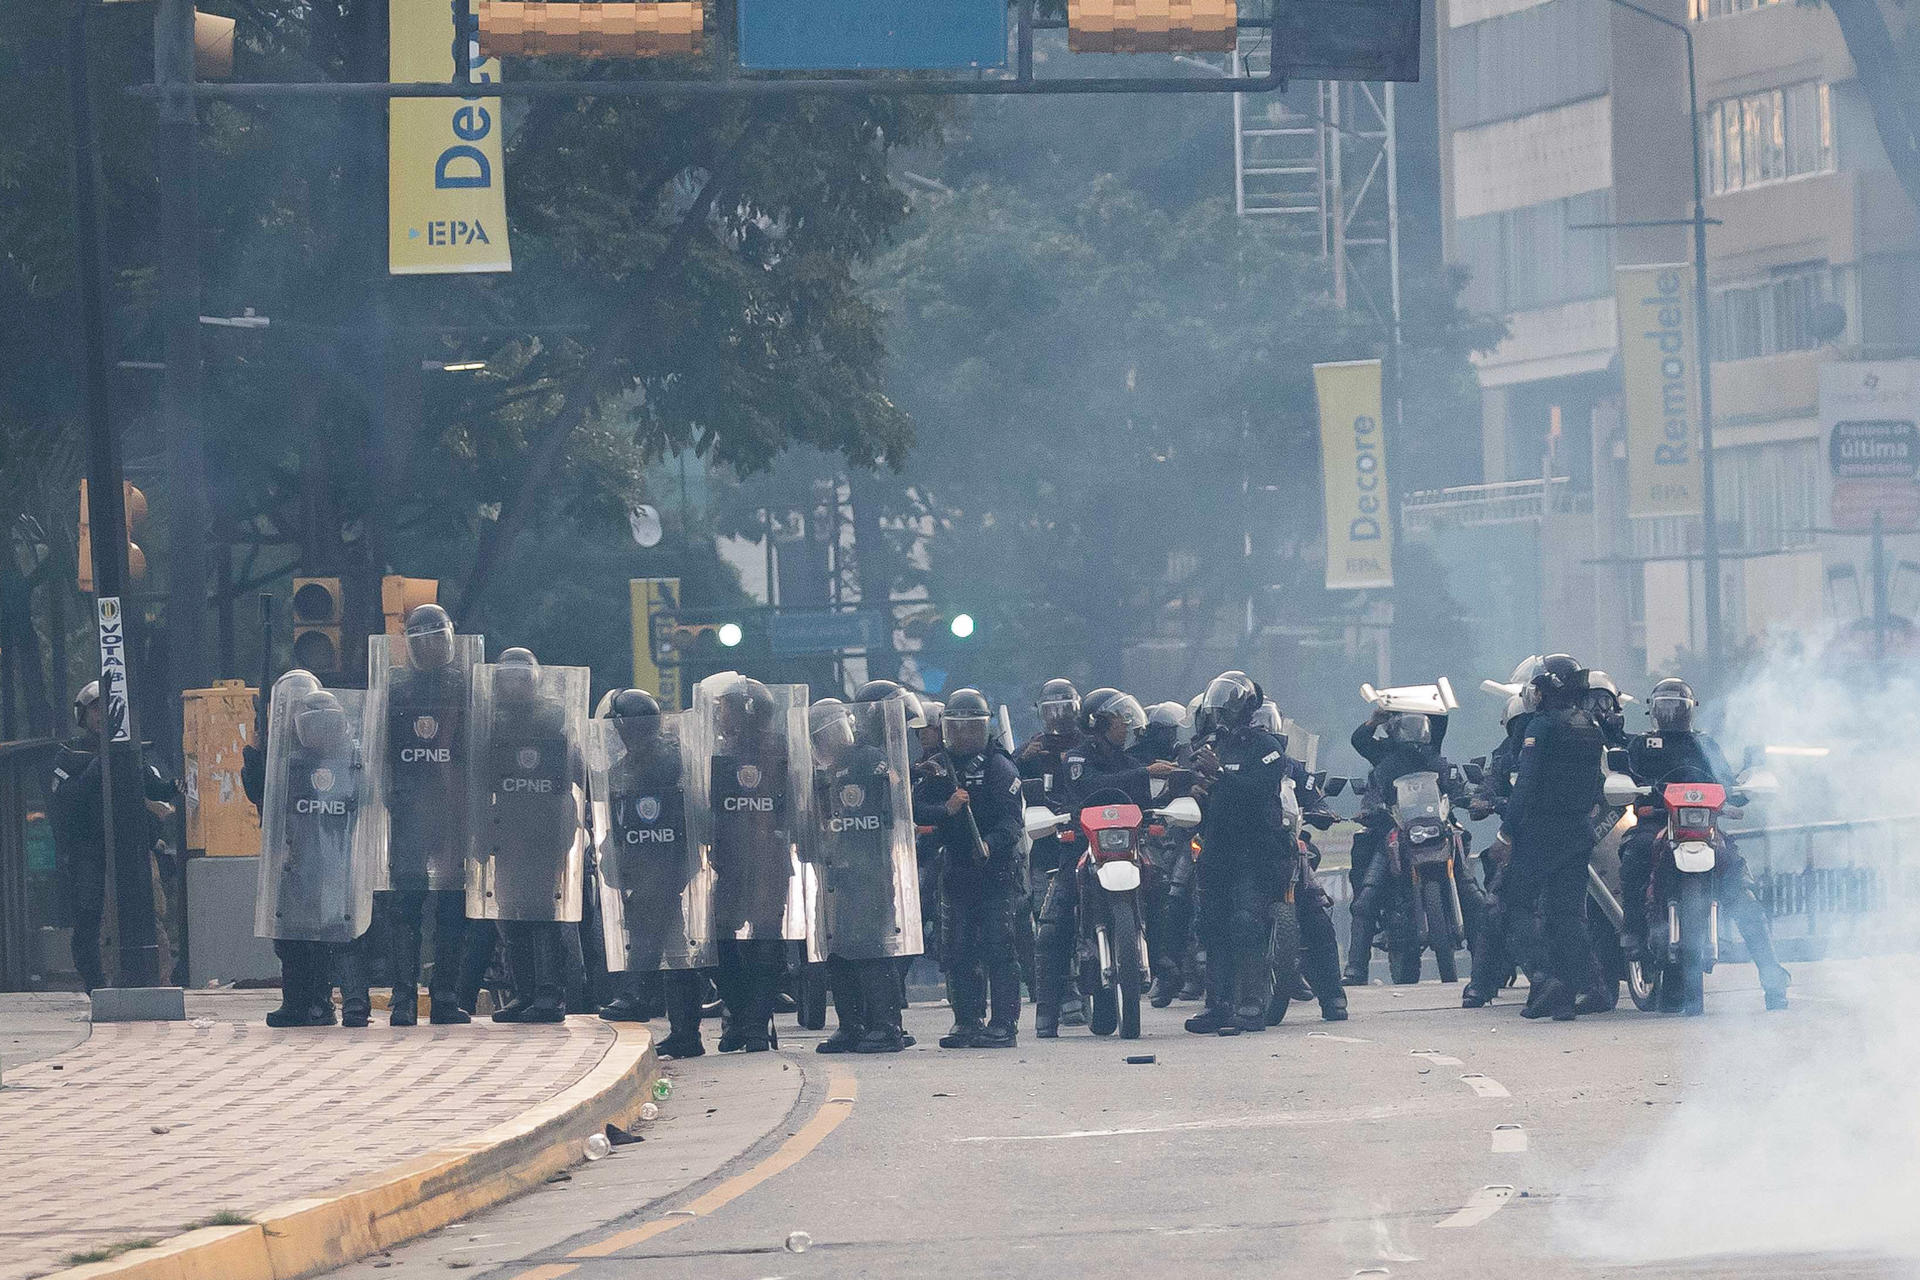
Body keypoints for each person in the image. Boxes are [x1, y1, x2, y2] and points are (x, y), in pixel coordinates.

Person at [1621, 677, 1789, 1010]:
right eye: (1663, 706)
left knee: (1743, 891)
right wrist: (1631, 789)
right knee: (1634, 853)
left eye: (1677, 707)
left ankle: (1773, 977)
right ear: (1653, 711)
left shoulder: (1705, 744)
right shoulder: (1642, 745)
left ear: (1690, 711)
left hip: (1705, 827)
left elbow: (1726, 782)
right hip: (1656, 822)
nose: (1670, 714)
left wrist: (1741, 790)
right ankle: (1634, 933)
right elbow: (1628, 779)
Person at [1037, 689, 1169, 1037]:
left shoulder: (1130, 761)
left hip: (1127, 850)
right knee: (1054, 924)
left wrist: (1175, 791)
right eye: (1118, 720)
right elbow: (1090, 786)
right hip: (1082, 847)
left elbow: (1148, 801)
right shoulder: (1076, 758)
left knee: (1164, 888)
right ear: (1098, 724)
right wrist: (1144, 772)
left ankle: (1166, 959)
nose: (1125, 726)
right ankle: (1047, 1013)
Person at [590, 689, 714, 1055]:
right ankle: (683, 1031)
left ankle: (640, 998)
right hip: (655, 867)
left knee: (663, 944)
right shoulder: (646, 761)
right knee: (674, 948)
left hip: (665, 865)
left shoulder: (662, 762)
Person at [471, 648, 588, 1024]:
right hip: (509, 829)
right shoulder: (491, 724)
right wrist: (480, 830)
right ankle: (524, 993)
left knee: (542, 914)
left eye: (522, 678)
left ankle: (550, 995)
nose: (515, 685)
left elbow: (579, 774)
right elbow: (478, 780)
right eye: (508, 679)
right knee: (509, 914)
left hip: (546, 829)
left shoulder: (555, 722)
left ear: (534, 681)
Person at [373, 604, 475, 1026]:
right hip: (410, 809)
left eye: (438, 637)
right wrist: (388, 800)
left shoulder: (467, 688)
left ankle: (446, 997)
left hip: (454, 811)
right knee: (405, 907)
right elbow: (381, 753)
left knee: (452, 906)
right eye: (423, 640)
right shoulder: (396, 690)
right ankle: (403, 1000)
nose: (432, 647)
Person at [49, 681, 181, 995]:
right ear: (83, 714)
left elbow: (162, 787)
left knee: (149, 916)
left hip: (133, 852)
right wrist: (98, 766)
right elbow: (65, 802)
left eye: (107, 708)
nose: (102, 715)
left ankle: (155, 979)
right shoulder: (69, 757)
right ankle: (97, 984)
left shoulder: (134, 753)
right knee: (89, 918)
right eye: (95, 709)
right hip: (89, 853)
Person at [255, 684, 375, 1028]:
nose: (320, 731)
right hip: (299, 862)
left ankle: (355, 1003)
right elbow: (271, 813)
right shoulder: (288, 764)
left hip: (342, 861)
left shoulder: (354, 762)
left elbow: (368, 805)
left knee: (344, 935)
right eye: (312, 724)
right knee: (291, 937)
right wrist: (256, 770)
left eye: (327, 723)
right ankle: (303, 1003)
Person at [808, 695, 921, 1054]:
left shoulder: (870, 759)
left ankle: (886, 1026)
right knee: (840, 953)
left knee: (873, 949)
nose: (828, 742)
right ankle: (851, 1024)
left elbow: (895, 804)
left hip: (871, 869)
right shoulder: (827, 772)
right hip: (840, 873)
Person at [1184, 672, 1293, 1035]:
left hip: (1255, 849)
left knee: (1247, 923)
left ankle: (1251, 1002)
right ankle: (1218, 1004)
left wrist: (1220, 777)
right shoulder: (1213, 746)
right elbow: (1200, 784)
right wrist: (1195, 789)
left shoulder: (1268, 747)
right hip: (1217, 847)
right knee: (1212, 925)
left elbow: (1258, 790)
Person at [1499, 654, 1605, 1021]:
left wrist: (1506, 830)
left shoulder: (1540, 728)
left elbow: (1525, 783)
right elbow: (1598, 784)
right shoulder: (1590, 725)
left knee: (1515, 904)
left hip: (1540, 832)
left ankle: (1544, 979)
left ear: (1549, 690)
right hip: (1578, 831)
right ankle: (1572, 992)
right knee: (1567, 915)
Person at [705, 674, 804, 1052]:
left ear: (746, 710)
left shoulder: (779, 752)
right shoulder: (718, 753)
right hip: (728, 865)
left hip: (768, 864)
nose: (720, 715)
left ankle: (756, 1028)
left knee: (764, 946)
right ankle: (742, 1018)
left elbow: (797, 805)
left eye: (725, 707)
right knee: (719, 943)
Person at [926, 688, 1025, 1048]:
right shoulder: (938, 766)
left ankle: (1003, 1024)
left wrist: (990, 844)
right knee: (956, 946)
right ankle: (966, 1020)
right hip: (955, 868)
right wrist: (944, 809)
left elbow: (1013, 823)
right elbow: (918, 806)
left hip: (994, 870)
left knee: (999, 945)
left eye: (972, 728)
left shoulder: (1000, 767)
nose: (964, 736)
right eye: (957, 728)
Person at [1344, 706, 1451, 984]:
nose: (1413, 733)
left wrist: (1468, 797)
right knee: (1365, 899)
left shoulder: (1436, 761)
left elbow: (1454, 786)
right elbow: (1359, 742)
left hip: (1436, 831)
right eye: (1406, 726)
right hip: (1393, 833)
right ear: (1393, 729)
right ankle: (1355, 968)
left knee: (1473, 890)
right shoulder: (1383, 759)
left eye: (1419, 726)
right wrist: (1373, 720)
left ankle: (1488, 966)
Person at [1015, 678, 1081, 1006]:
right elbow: (1003, 778)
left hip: (1084, 841)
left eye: (1065, 709)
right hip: (1046, 844)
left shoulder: (1087, 747)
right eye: (1051, 710)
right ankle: (1060, 995)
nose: (1058, 717)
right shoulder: (1033, 749)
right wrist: (1022, 758)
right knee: (1048, 920)